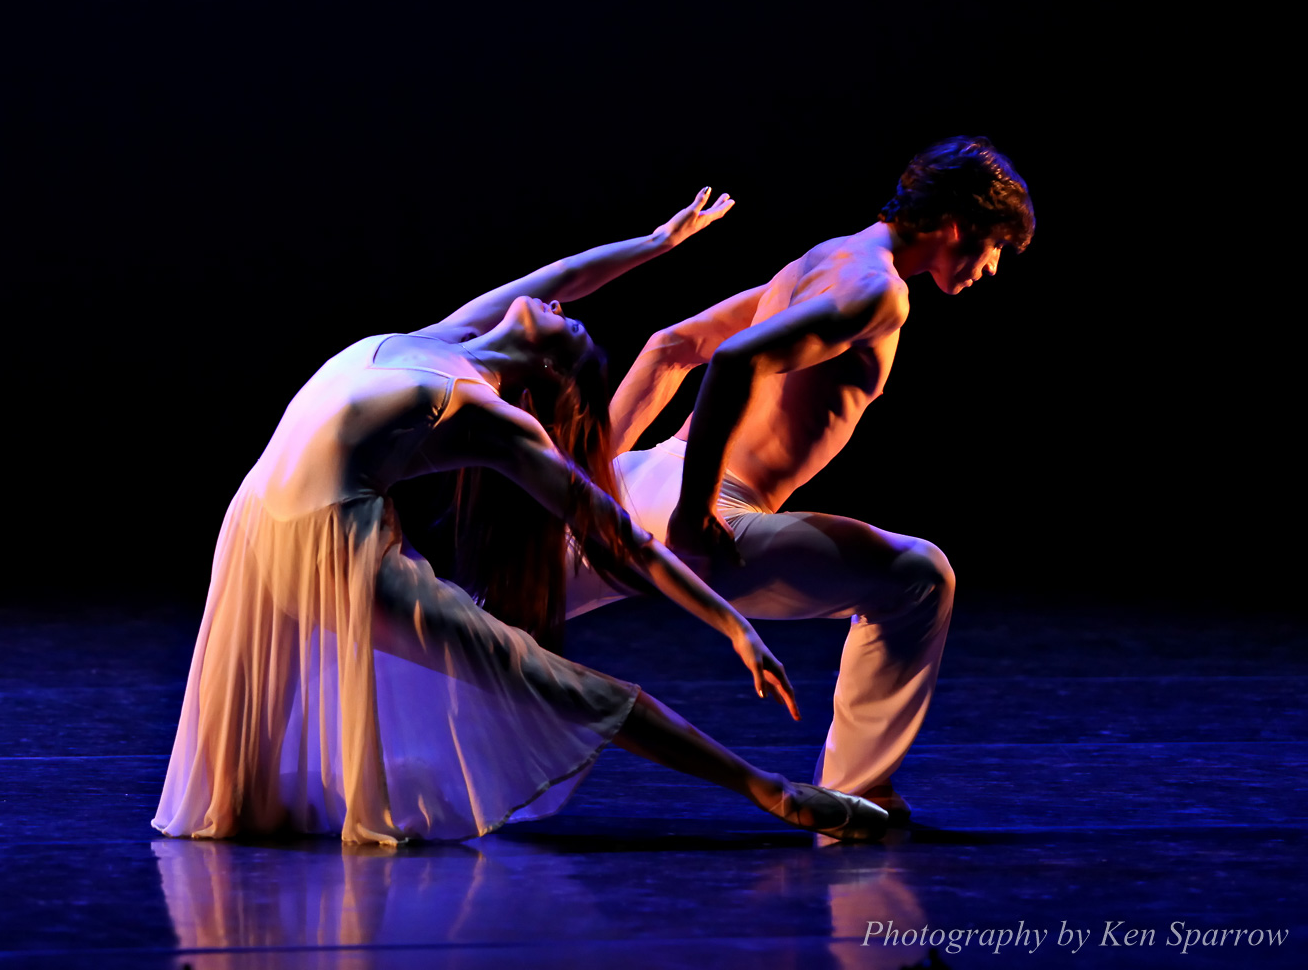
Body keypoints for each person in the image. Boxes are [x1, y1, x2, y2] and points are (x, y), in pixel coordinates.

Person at [152, 189, 889, 846]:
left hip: (340, 550)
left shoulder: (491, 418)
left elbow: (620, 538)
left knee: (553, 681)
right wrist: (656, 244)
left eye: (574, 334)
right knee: (243, 794)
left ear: (550, 376)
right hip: (255, 518)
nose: (566, 313)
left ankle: (773, 792)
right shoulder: (444, 341)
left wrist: (732, 622)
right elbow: (558, 278)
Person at [566, 137, 1035, 822]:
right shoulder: (879, 291)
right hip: (711, 513)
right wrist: (698, 510)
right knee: (920, 578)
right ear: (958, 225)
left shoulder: (824, 260)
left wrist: (585, 485)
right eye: (995, 247)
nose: (991, 268)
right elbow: (729, 361)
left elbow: (670, 347)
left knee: (463, 628)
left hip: (641, 481)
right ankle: (858, 791)